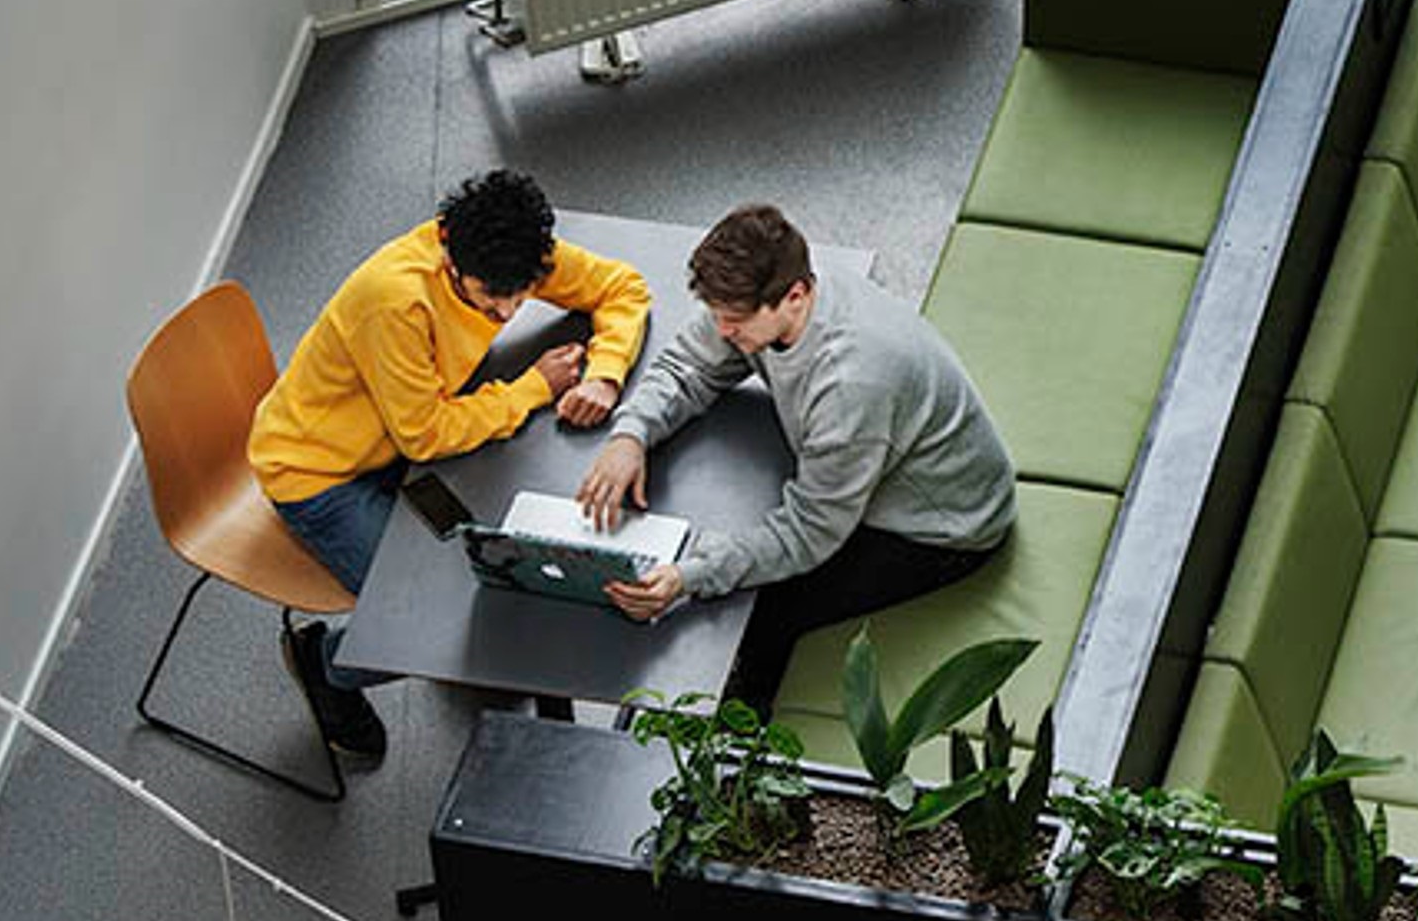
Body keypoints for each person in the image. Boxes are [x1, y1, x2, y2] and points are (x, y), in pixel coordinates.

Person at [249, 170, 651, 757]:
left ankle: (485, 658)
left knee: (493, 567)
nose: (506, 311)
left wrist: (606, 375)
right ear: (447, 250)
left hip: (395, 441)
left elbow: (622, 288)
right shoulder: (394, 301)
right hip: (320, 473)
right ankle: (325, 663)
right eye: (491, 299)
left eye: (521, 296)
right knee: (427, 631)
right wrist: (531, 388)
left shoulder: (511, 253)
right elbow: (425, 435)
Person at [577, 204, 1015, 703]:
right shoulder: (769, 294)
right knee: (727, 555)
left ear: (796, 295)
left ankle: (735, 752)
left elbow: (810, 533)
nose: (722, 331)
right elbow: (689, 365)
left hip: (943, 526)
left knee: (760, 611)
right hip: (859, 470)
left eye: (734, 320)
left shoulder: (852, 383)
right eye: (716, 314)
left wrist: (689, 576)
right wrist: (629, 435)